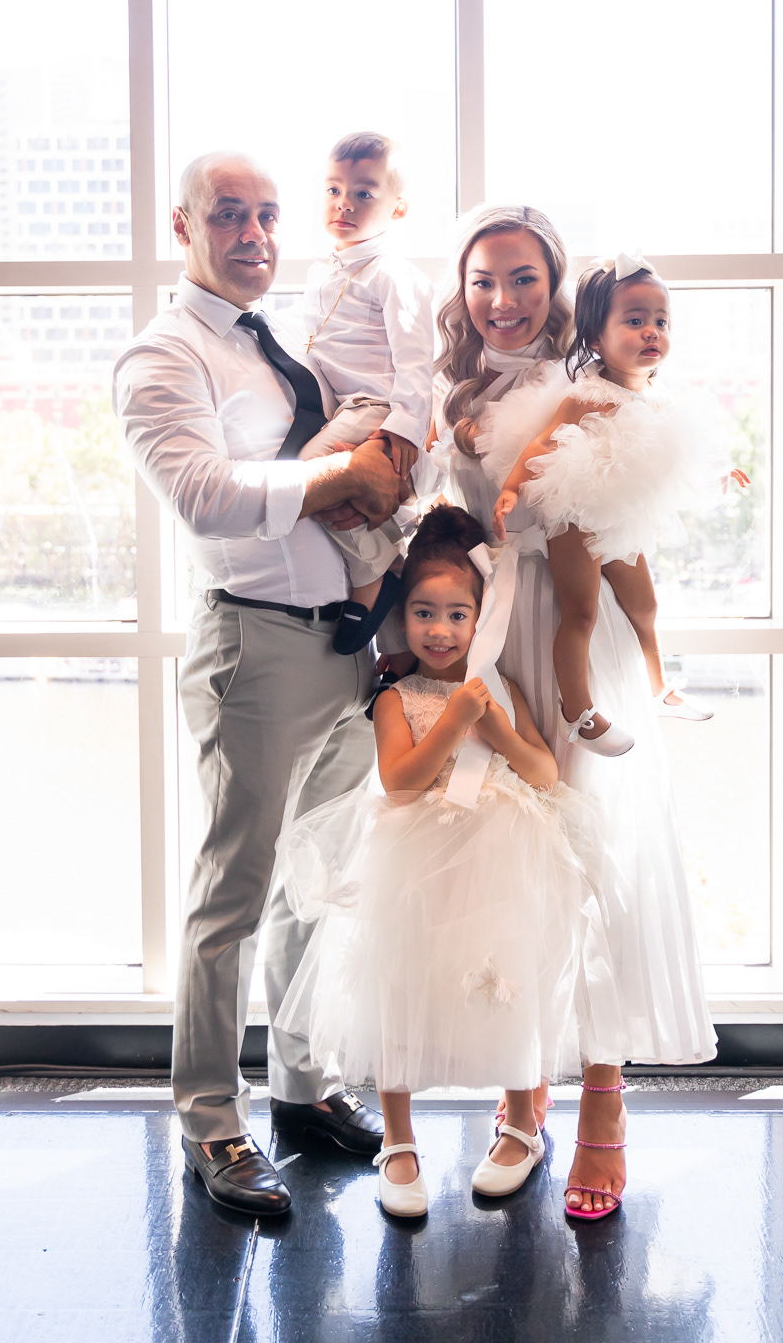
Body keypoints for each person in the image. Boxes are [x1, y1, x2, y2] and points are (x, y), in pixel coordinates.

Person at [113, 151, 405, 1217]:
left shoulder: (281, 345)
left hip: (346, 648)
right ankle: (210, 1119)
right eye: (229, 214)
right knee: (231, 893)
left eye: (268, 214)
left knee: (315, 879)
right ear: (182, 225)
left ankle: (302, 1086)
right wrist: (337, 474)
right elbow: (203, 493)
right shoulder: (162, 354)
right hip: (254, 648)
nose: (254, 234)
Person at [433, 205, 719, 1220]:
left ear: (555, 287)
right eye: (482, 280)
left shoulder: (590, 375)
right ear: (462, 290)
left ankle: (603, 1091)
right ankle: (522, 1095)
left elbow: (634, 505)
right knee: (511, 853)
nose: (502, 299)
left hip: (577, 633)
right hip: (497, 632)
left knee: (599, 851)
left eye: (522, 278)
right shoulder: (453, 389)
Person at [274, 506, 624, 1218]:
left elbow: (544, 773)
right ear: (402, 617)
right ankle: (399, 1141)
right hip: (416, 859)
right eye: (424, 613)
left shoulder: (498, 688)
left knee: (508, 977)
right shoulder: (396, 698)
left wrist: (494, 724)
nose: (439, 630)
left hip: (499, 856)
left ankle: (521, 1123)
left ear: (480, 617)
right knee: (401, 986)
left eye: (457, 614)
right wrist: (456, 722)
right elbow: (400, 781)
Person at [489, 253, 749, 746]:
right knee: (580, 613)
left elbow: (677, 440)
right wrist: (511, 488)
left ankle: (659, 689)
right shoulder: (589, 394)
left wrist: (719, 467)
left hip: (618, 513)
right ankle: (578, 712)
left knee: (645, 604)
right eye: (634, 322)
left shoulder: (655, 390)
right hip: (575, 511)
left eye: (660, 322)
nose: (651, 332)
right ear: (595, 339)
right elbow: (542, 443)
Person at [298, 132, 435, 655]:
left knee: (308, 474)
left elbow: (417, 362)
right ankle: (392, 584)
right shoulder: (322, 271)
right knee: (340, 494)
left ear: (397, 207)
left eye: (363, 193)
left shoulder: (394, 275)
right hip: (345, 409)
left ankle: (371, 574)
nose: (344, 204)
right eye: (334, 190)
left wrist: (403, 428)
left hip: (378, 408)